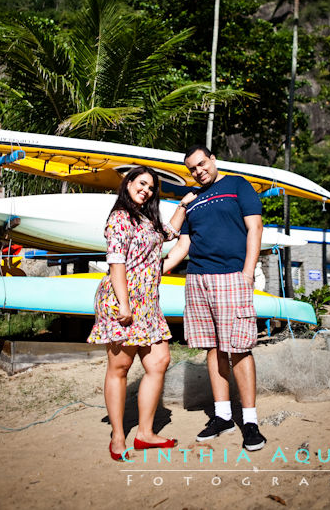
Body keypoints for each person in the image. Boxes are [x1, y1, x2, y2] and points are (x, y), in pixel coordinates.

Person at [87, 165, 196, 461]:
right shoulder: (120, 218)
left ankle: (145, 433)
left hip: (147, 301)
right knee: (120, 368)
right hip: (122, 298)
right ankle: (118, 436)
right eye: (142, 183)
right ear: (129, 183)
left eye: (150, 188)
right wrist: (124, 305)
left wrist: (183, 205)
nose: (146, 190)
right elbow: (117, 264)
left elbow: (169, 232)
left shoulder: (147, 219)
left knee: (159, 361)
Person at [163, 144, 266, 451]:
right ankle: (222, 415)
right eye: (192, 169)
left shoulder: (237, 185)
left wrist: (247, 273)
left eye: (201, 164)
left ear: (213, 160)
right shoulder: (193, 200)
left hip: (231, 275)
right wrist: (157, 269)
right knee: (212, 347)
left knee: (239, 347)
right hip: (196, 279)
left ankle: (249, 421)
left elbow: (255, 227)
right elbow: (182, 245)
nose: (198, 171)